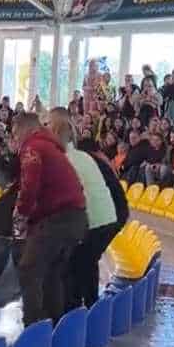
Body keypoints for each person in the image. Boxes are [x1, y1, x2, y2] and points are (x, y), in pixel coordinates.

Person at [10, 113, 88, 327]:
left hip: (60, 218)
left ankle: (33, 328)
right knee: (52, 271)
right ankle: (53, 325)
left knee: (28, 269)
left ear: (27, 129)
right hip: (75, 217)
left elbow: (29, 187)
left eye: (16, 134)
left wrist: (20, 216)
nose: (15, 139)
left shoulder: (33, 147)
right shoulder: (50, 146)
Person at [47, 108, 119, 312]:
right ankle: (89, 307)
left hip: (95, 221)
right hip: (106, 219)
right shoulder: (79, 155)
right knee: (86, 263)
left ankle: (74, 312)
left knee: (73, 266)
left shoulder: (64, 160)